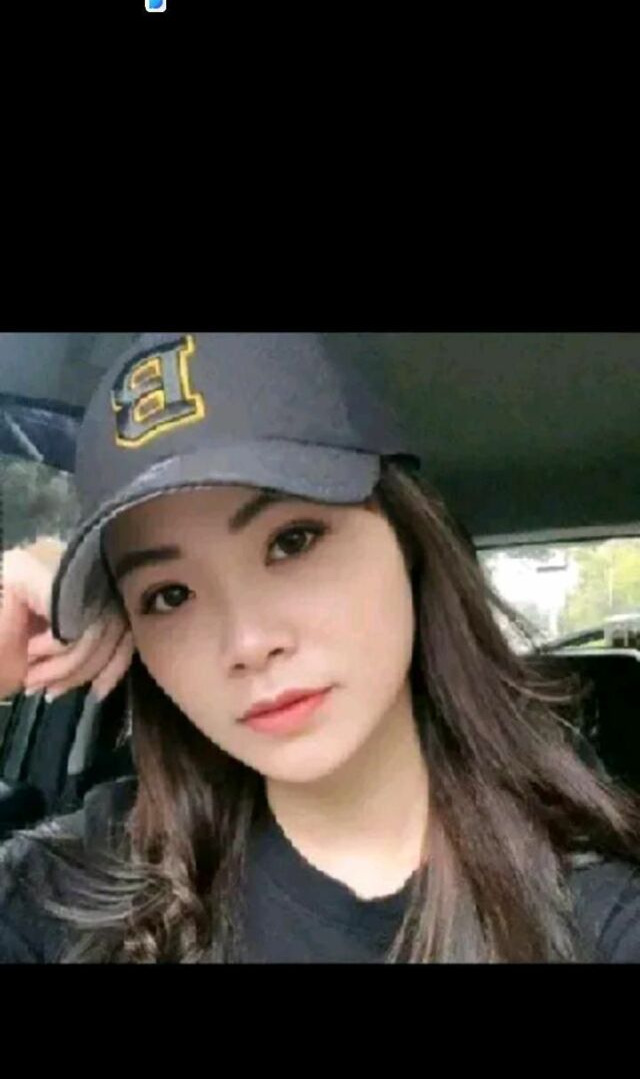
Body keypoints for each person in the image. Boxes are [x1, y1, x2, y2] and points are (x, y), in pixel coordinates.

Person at [1, 331, 640, 964]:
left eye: (293, 541)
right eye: (169, 595)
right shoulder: (72, 890)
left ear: (409, 539)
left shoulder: (594, 915)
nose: (249, 643)